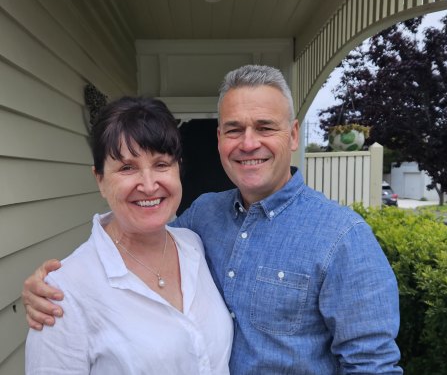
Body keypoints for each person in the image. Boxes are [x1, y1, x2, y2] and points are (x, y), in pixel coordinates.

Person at [23, 65, 403, 374]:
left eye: (265, 127)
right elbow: (137, 234)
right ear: (219, 138)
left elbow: (372, 366)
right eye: (234, 129)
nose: (248, 143)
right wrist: (53, 284)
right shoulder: (202, 219)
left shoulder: (343, 237)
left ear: (293, 135)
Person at [25, 97, 233, 374]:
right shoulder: (65, 292)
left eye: (161, 164)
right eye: (127, 167)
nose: (148, 185)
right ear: (99, 179)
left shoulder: (193, 244)